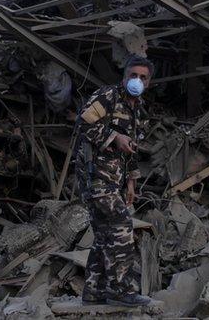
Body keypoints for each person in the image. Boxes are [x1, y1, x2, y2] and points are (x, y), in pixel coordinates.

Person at [72, 56, 154, 308]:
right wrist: (113, 136)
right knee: (121, 225)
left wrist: (131, 181)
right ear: (124, 76)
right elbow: (82, 122)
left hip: (114, 179)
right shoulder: (108, 96)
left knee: (104, 234)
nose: (137, 80)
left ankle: (94, 291)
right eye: (133, 75)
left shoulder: (138, 109)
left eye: (142, 77)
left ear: (148, 83)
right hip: (95, 176)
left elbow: (131, 148)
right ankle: (120, 289)